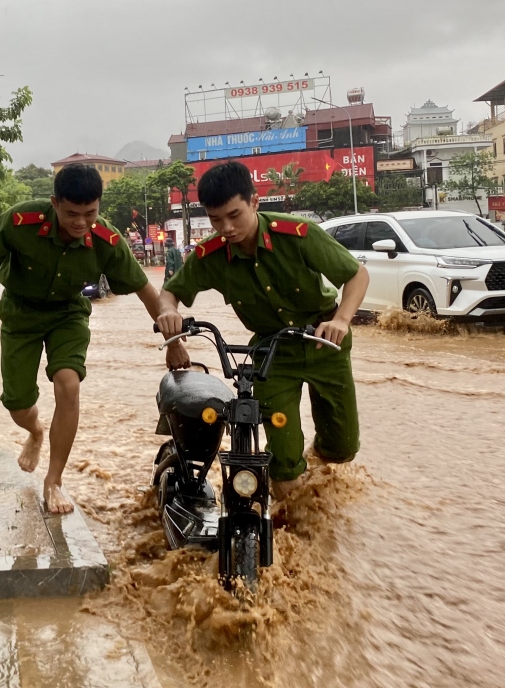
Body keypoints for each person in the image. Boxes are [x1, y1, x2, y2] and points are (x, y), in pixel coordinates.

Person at [0, 164, 189, 514]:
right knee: (18, 405)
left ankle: (54, 481)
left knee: (69, 384)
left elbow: (145, 290)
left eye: (90, 213)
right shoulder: (21, 221)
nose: (81, 223)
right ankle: (35, 432)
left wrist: (174, 343)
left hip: (68, 314)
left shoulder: (107, 240)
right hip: (20, 314)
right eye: (71, 214)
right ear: (54, 203)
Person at [155, 161, 369, 497]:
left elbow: (357, 275)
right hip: (271, 354)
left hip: (323, 342)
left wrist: (341, 320)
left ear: (255, 202)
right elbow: (171, 292)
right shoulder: (209, 255)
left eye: (234, 215)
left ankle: (320, 471)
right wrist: (168, 312)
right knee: (283, 463)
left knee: (342, 448)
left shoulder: (298, 236)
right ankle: (291, 513)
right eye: (215, 219)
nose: (226, 227)